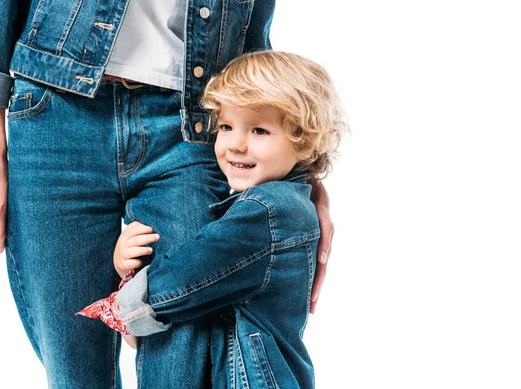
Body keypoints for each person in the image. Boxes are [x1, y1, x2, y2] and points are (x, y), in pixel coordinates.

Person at [0, 0, 334, 387]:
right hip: (55, 114)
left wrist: (299, 171)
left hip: (192, 126)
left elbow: (252, 21)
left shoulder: (256, 176)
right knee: (74, 371)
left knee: (182, 351)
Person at [79, 50, 347, 388]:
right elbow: (158, 330)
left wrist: (121, 298)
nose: (235, 144)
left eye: (259, 131)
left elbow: (182, 283)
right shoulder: (275, 205)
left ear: (304, 140)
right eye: (226, 126)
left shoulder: (267, 209)